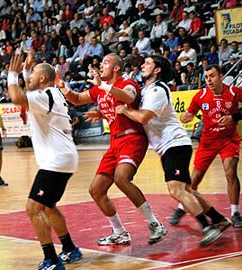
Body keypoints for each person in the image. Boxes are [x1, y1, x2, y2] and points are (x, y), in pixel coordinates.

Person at [115, 55, 228, 246]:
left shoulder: (158, 90)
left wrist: (124, 110)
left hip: (174, 144)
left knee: (175, 190)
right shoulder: (146, 90)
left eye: (148, 63)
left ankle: (208, 228)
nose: (143, 65)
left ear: (157, 69)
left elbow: (143, 117)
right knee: (186, 189)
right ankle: (218, 219)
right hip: (168, 146)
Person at [56, 53, 167, 246]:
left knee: (121, 178)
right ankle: (119, 232)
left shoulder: (127, 82)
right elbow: (77, 99)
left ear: (116, 68)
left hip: (132, 137)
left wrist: (103, 86)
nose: (101, 65)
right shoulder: (100, 89)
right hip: (115, 142)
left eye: (106, 62)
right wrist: (62, 85)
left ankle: (155, 223)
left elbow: (129, 96)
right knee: (96, 190)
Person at [7, 52, 82, 270]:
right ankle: (69, 248)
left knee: (33, 208)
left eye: (33, 75)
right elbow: (30, 90)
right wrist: (26, 71)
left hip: (56, 160)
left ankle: (52, 260)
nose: (28, 78)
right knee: (48, 207)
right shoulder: (51, 94)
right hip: (64, 158)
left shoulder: (46, 94)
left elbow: (17, 97)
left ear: (42, 79)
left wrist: (12, 75)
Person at [169, 64, 242, 228]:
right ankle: (182, 207)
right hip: (208, 142)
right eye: (206, 77)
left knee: (230, 171)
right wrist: (186, 117)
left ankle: (235, 213)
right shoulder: (201, 95)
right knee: (194, 180)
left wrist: (234, 117)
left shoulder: (235, 92)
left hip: (229, 139)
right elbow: (189, 114)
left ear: (221, 77)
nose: (209, 80)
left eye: (212, 76)